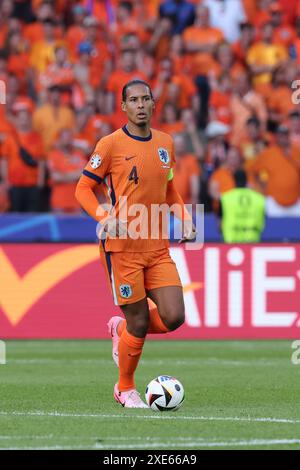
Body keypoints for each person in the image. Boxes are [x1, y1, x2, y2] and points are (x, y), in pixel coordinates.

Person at [75, 80, 196, 408]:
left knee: (174, 316)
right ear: (124, 107)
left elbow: (169, 188)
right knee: (140, 320)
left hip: (157, 248)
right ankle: (125, 388)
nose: (140, 104)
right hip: (122, 248)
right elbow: (83, 188)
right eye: (133, 100)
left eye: (145, 98)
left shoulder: (165, 143)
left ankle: (121, 331)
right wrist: (103, 216)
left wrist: (183, 218)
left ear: (154, 104)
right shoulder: (110, 144)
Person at [220, 169, 265, 243]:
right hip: (253, 240)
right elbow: (264, 219)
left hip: (231, 241)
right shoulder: (259, 198)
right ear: (246, 181)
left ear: (234, 180)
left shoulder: (226, 198)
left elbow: (220, 223)